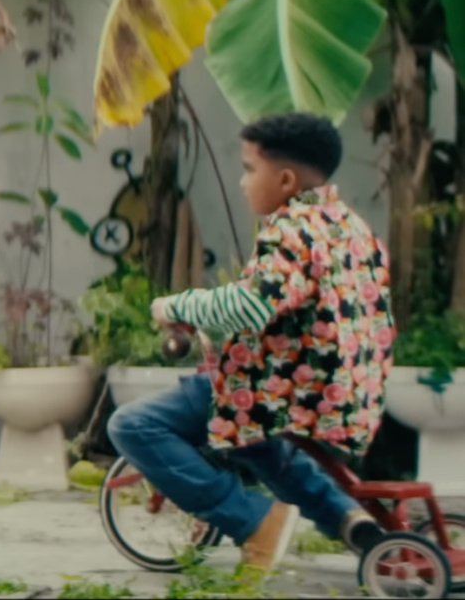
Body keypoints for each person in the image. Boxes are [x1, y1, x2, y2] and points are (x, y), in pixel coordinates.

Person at [109, 113, 393, 569]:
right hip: (340, 388)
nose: (242, 182)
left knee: (132, 426)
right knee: (253, 439)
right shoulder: (349, 226)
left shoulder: (291, 231)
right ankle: (348, 520)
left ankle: (251, 520)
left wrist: (178, 306)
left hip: (278, 386)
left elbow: (249, 306)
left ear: (284, 179)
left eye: (248, 168)